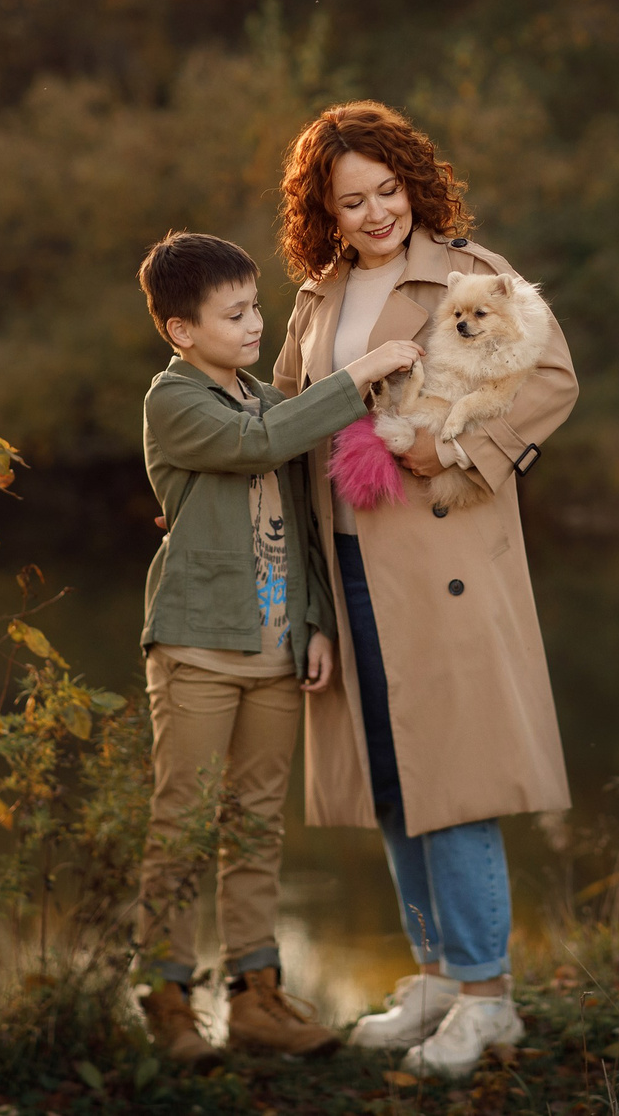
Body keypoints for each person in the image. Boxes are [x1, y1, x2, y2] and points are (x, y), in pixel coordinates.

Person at [270, 103, 579, 1079]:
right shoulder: (315, 301)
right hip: (351, 557)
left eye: (387, 191)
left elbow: (554, 380)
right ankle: (439, 979)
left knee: (455, 784)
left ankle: (489, 999)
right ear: (323, 210)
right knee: (395, 785)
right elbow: (283, 421)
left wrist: (448, 446)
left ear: (414, 182)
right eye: (350, 200)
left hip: (442, 567)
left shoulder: (472, 274)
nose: (374, 214)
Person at [129, 231, 424, 1069]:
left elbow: (301, 521)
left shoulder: (266, 397)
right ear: (182, 330)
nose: (256, 323)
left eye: (256, 306)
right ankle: (167, 996)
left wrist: (319, 620)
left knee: (255, 826)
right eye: (235, 313)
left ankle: (256, 996)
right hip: (197, 648)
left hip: (275, 651)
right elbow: (259, 447)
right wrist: (353, 379)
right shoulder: (173, 400)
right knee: (181, 824)